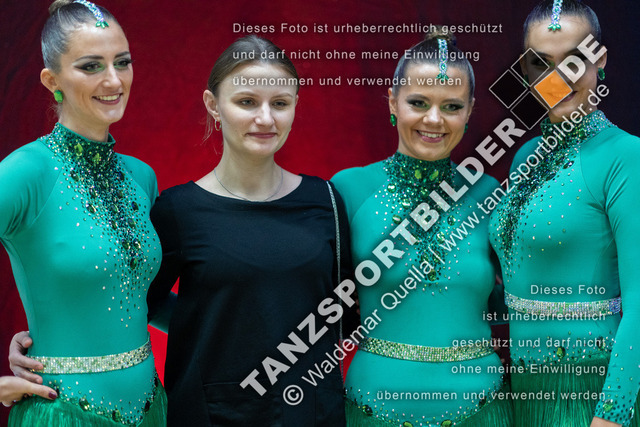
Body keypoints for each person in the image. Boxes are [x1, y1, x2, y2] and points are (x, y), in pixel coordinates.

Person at [145, 35, 352, 425]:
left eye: (280, 103)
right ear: (213, 105)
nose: (266, 119)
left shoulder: (325, 200)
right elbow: (139, 303)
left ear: (295, 105)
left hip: (311, 414)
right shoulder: (178, 210)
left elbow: (346, 310)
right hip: (211, 414)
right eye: (246, 102)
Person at [332, 30, 513, 426]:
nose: (434, 119)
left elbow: (519, 296)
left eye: (451, 106)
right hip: (373, 408)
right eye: (418, 102)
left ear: (469, 111)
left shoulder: (489, 193)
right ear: (392, 102)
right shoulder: (347, 190)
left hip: (483, 409)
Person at [0, 1, 166, 425]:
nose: (113, 80)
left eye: (122, 62)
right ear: (51, 80)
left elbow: (148, 300)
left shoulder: (141, 177)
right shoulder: (25, 173)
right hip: (62, 412)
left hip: (152, 409)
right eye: (91, 66)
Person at [489, 1, 640, 426]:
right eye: (542, 63)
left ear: (600, 60)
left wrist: (610, 416)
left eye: (574, 60)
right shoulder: (524, 157)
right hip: (526, 391)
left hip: (591, 394)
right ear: (525, 70)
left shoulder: (627, 156)